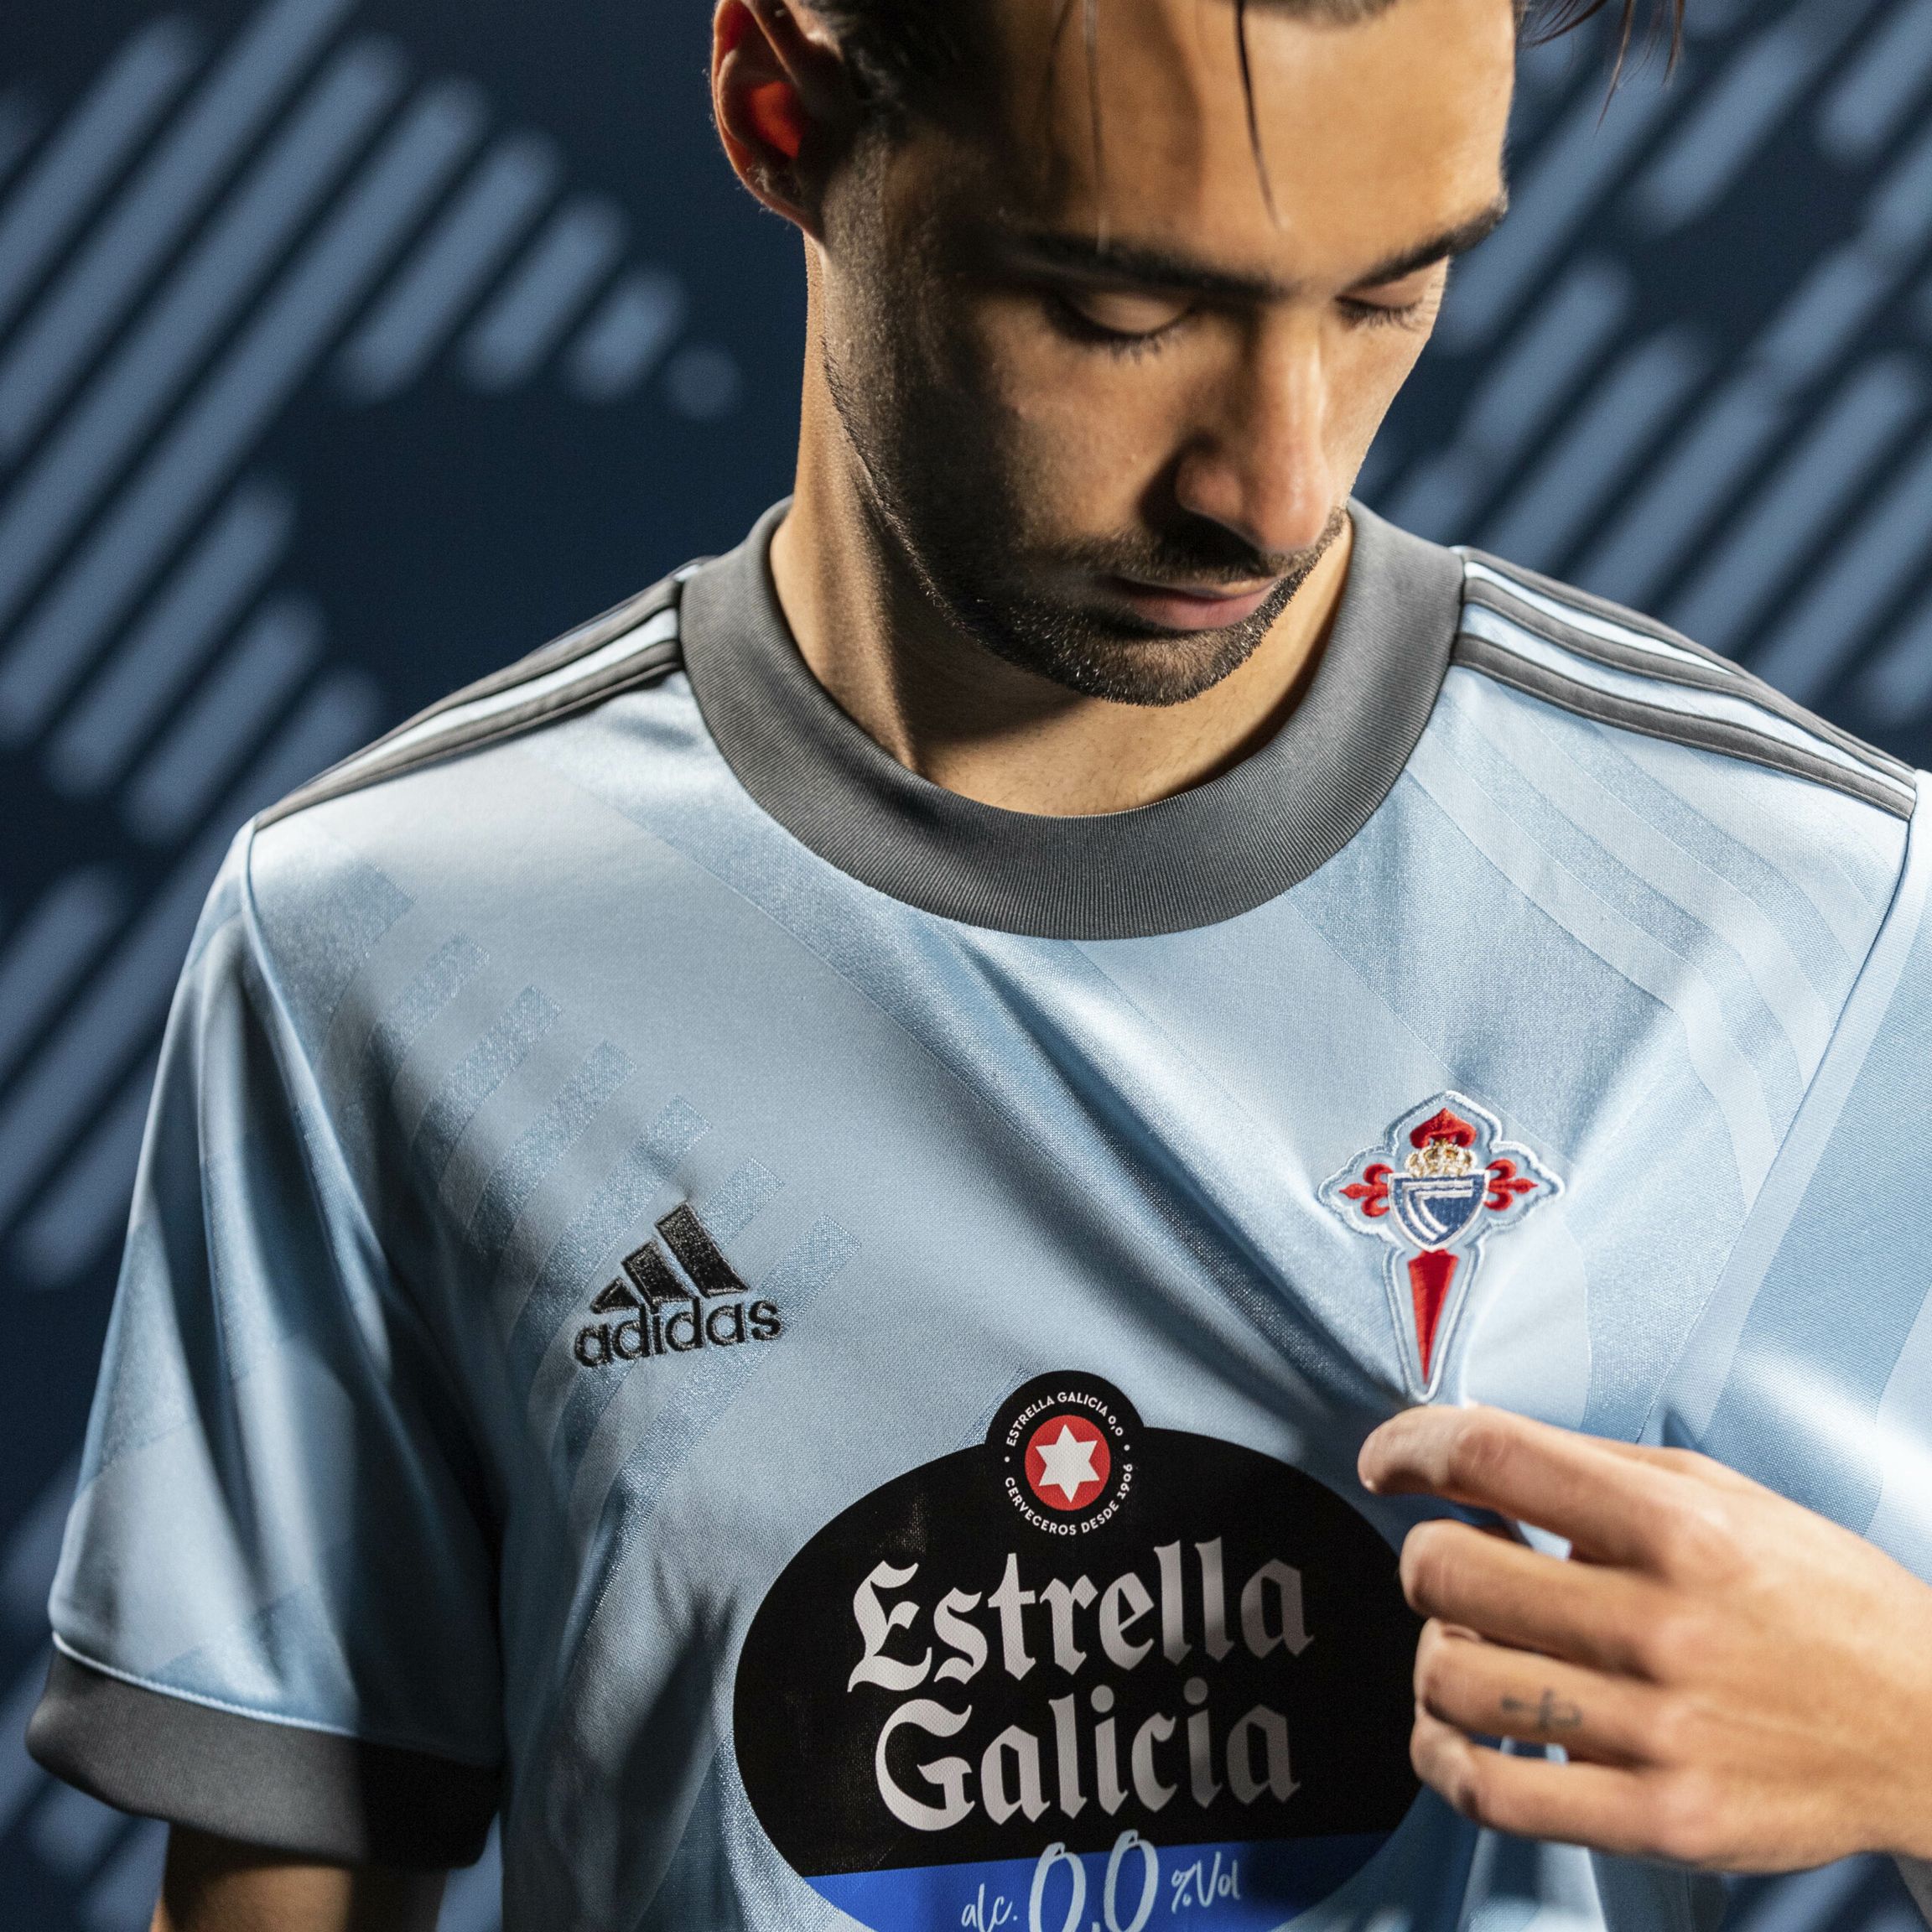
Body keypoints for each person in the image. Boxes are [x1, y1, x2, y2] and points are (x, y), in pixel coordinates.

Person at [25, 0, 1932, 1925]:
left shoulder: (1808, 912)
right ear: (780, 108)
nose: (1275, 487)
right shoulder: (385, 937)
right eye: (1124, 309)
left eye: (1390, 292)